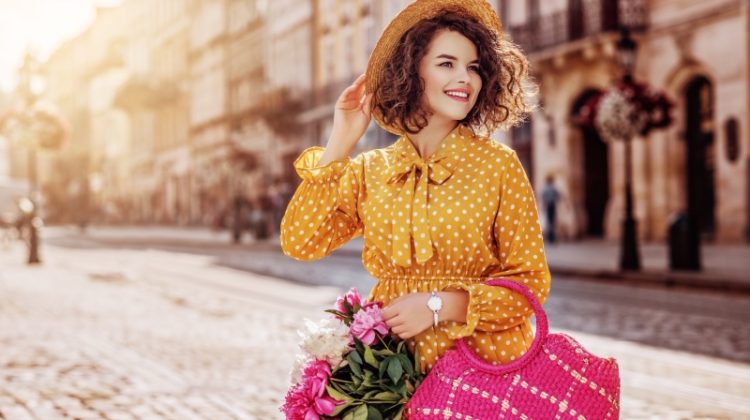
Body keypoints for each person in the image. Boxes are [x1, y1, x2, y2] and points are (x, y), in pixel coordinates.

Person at [280, 0, 551, 376]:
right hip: (392, 374)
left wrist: (440, 305)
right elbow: (301, 241)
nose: (465, 78)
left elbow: (531, 284)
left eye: (473, 67)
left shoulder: (497, 165)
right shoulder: (371, 170)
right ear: (410, 71)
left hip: (482, 370)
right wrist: (340, 140)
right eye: (447, 64)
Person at [541, 174, 562, 244]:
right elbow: (559, 196)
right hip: (552, 205)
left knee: (549, 222)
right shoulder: (553, 188)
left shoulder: (545, 188)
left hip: (548, 205)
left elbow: (543, 198)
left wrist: (543, 206)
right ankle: (552, 237)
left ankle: (550, 238)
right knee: (552, 222)